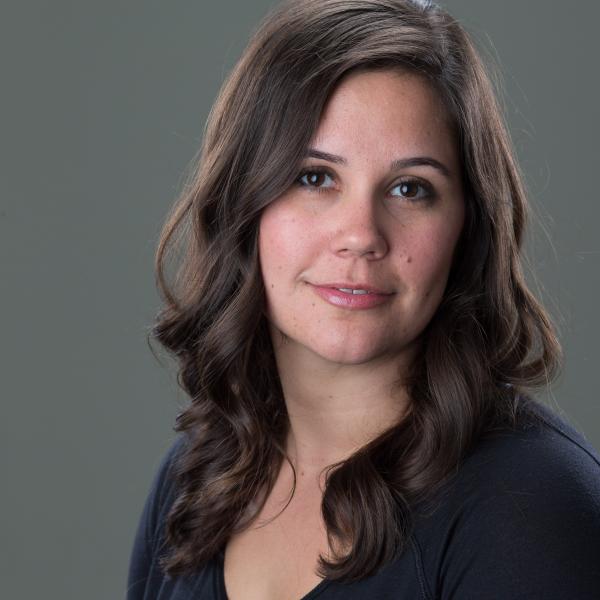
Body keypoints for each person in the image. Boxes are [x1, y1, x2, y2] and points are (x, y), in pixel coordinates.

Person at [126, 0, 600, 598]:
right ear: (243, 202)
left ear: (467, 227)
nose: (361, 236)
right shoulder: (194, 480)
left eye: (410, 189)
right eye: (315, 177)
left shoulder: (531, 509)